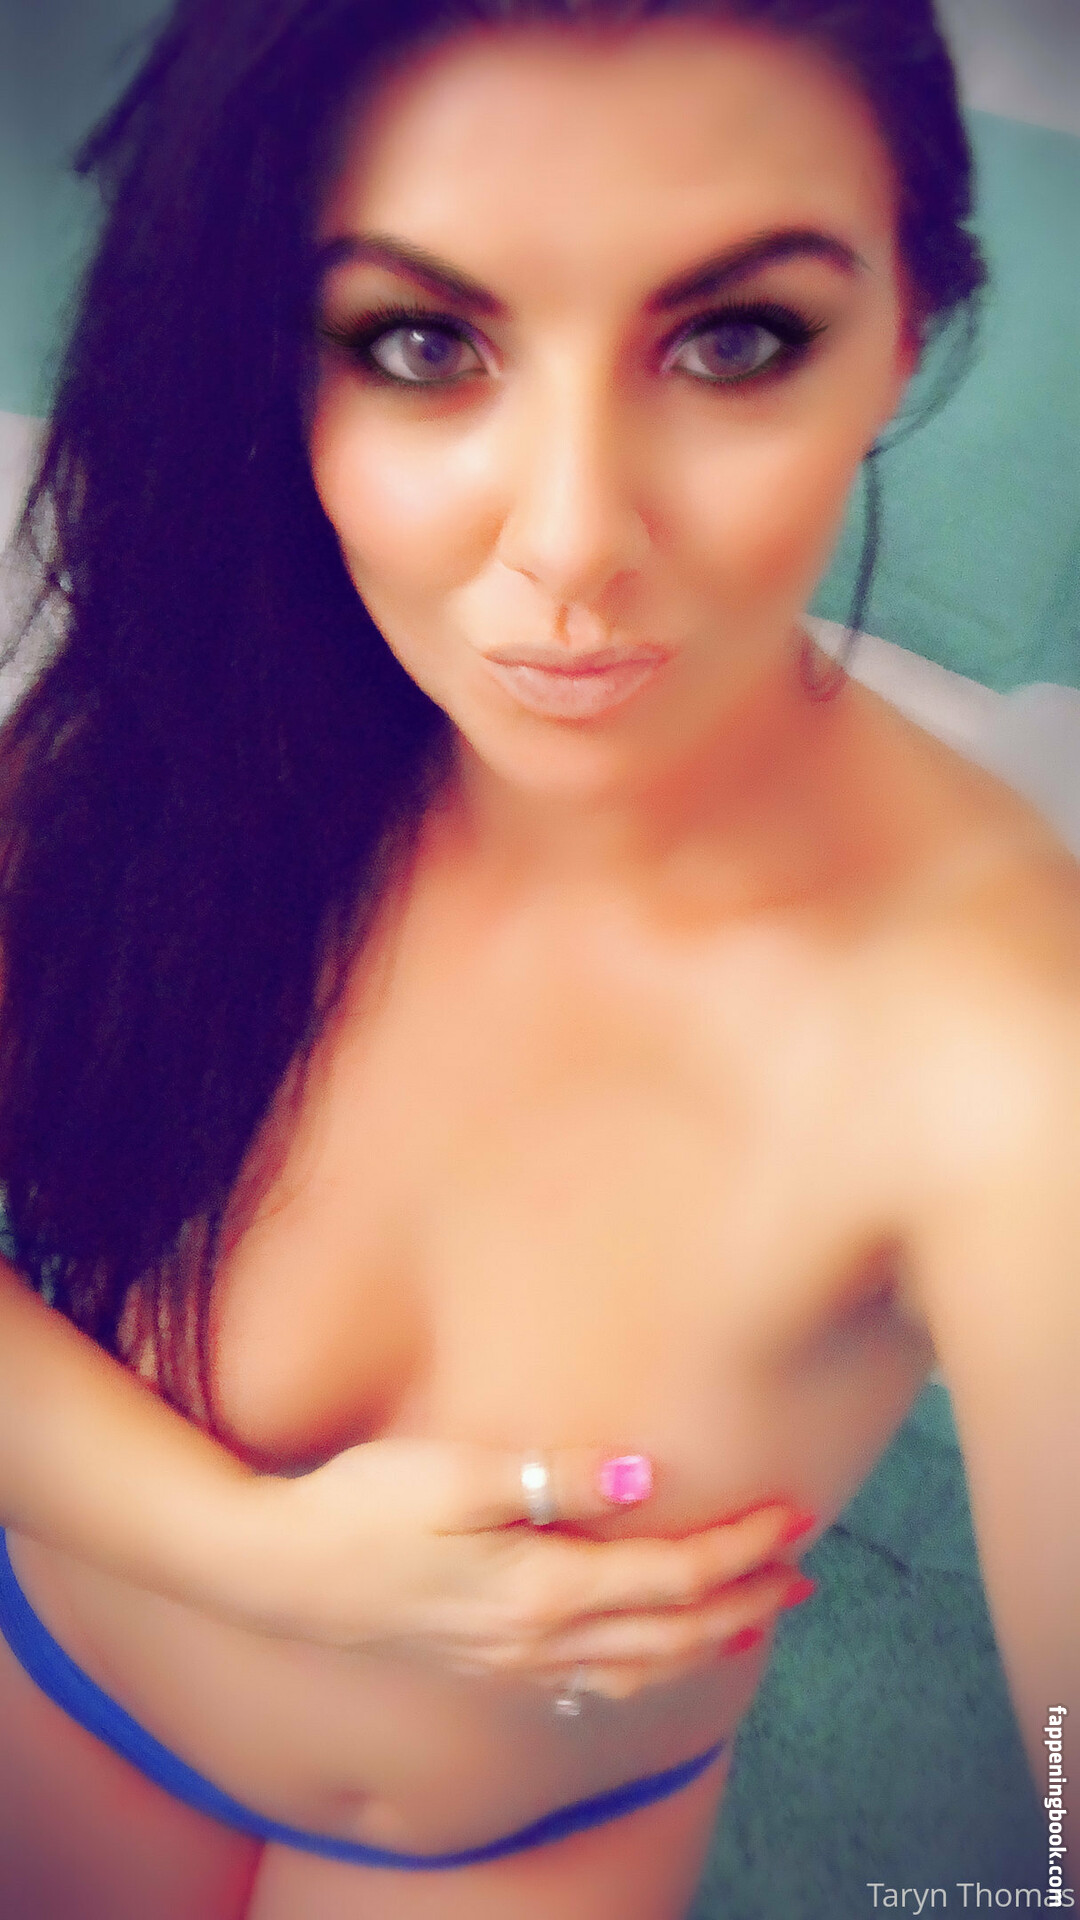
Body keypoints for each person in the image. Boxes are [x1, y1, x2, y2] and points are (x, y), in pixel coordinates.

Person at [0, 0, 1076, 1914]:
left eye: (733, 340)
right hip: (64, 1691)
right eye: (424, 343)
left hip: (506, 1853)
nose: (571, 543)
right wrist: (263, 1557)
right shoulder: (169, 731)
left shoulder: (1005, 1042)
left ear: (906, 328)